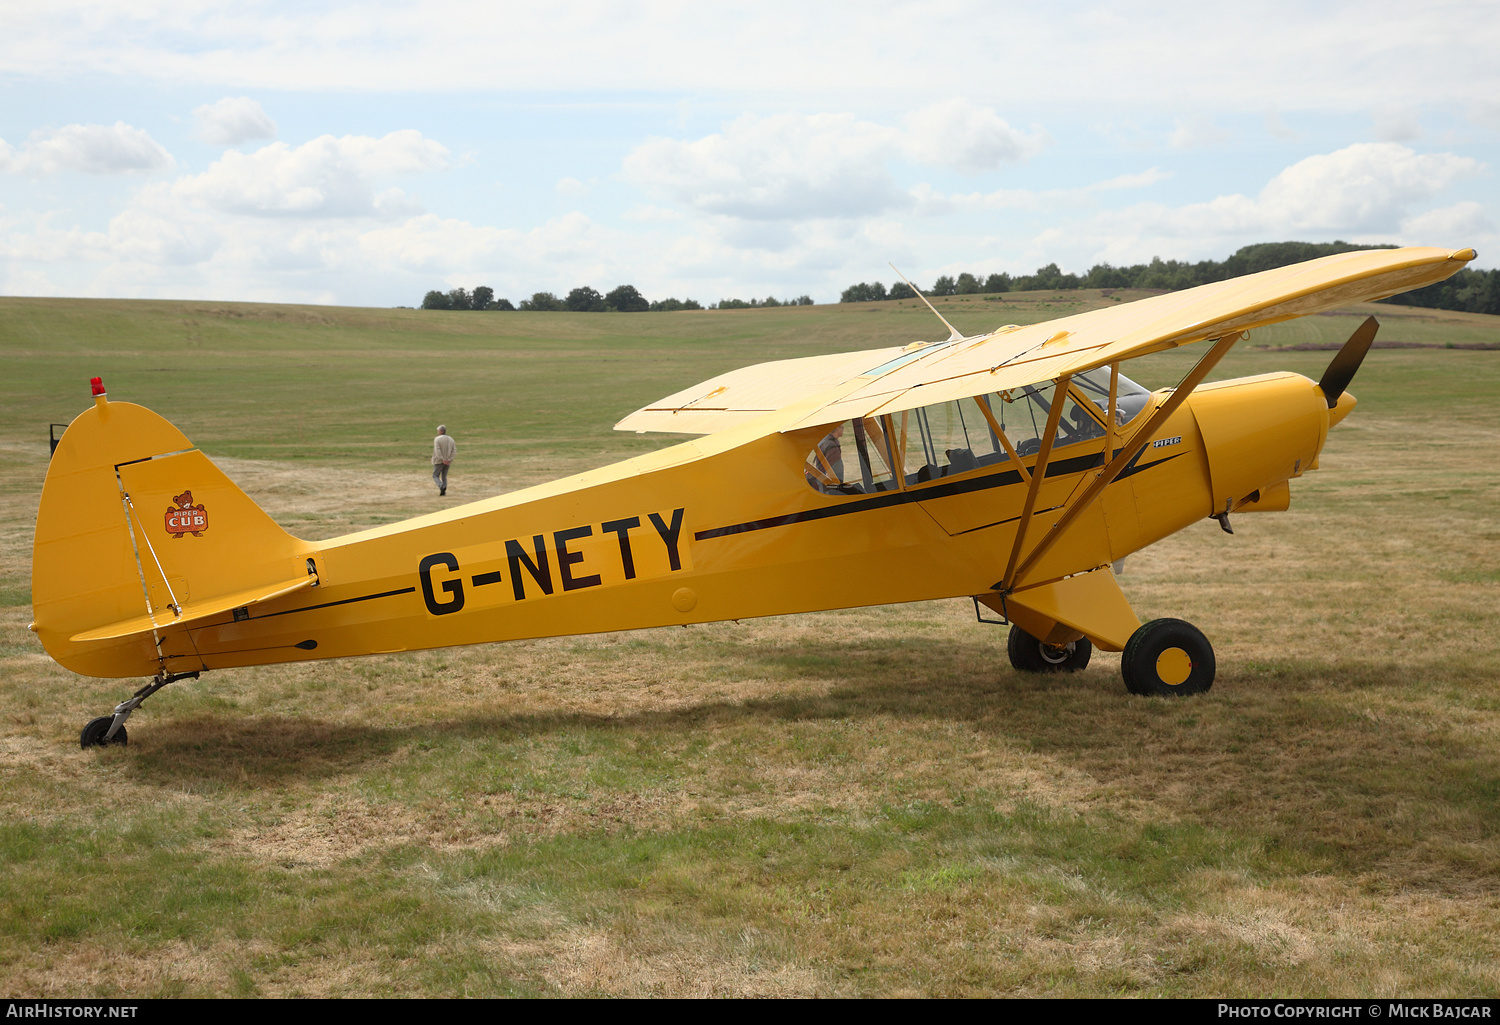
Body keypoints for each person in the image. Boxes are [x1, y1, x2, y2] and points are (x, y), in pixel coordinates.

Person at [432, 425, 456, 496]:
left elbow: (437, 450)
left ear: (440, 431)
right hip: (448, 461)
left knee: (435, 475)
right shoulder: (451, 439)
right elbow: (454, 450)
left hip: (438, 460)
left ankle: (441, 486)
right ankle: (444, 489)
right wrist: (449, 459)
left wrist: (442, 459)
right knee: (444, 476)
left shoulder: (437, 439)